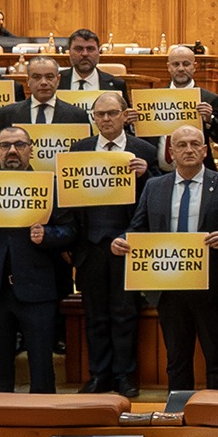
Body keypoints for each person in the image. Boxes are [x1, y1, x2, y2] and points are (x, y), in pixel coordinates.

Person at [117, 124, 218, 392]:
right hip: (169, 287)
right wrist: (123, 240)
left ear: (205, 151)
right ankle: (179, 410)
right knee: (176, 359)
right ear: (171, 152)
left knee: (217, 358)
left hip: (212, 287)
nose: (189, 150)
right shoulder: (154, 186)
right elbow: (138, 228)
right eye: (182, 145)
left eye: (195, 144)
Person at [0, 125, 74, 393]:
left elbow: (70, 230)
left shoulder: (50, 184)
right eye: (6, 145)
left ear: (31, 149)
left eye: (20, 145)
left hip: (37, 290)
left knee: (42, 370)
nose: (12, 150)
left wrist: (47, 235)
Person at [71, 92, 155, 396]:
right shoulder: (79, 150)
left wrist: (146, 174)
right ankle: (99, 375)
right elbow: (69, 196)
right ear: (93, 118)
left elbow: (156, 197)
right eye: (100, 114)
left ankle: (124, 376)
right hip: (90, 245)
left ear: (124, 115)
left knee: (124, 313)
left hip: (127, 245)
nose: (106, 119)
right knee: (95, 315)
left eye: (112, 113)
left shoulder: (144, 149)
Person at [156, 44, 218, 163]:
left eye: (186, 64)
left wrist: (209, 119)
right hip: (158, 171)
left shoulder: (209, 99)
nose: (181, 69)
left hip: (198, 168)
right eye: (176, 64)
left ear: (194, 66)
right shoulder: (156, 98)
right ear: (169, 67)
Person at [0, 57, 90, 142]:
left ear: (58, 80)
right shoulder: (7, 114)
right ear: (28, 80)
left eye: (49, 77)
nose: (43, 82)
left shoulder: (77, 116)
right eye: (37, 77)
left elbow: (85, 152)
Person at [60, 29, 125, 93]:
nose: (85, 54)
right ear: (69, 52)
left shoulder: (116, 85)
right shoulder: (58, 81)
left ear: (98, 52)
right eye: (79, 49)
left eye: (90, 49)